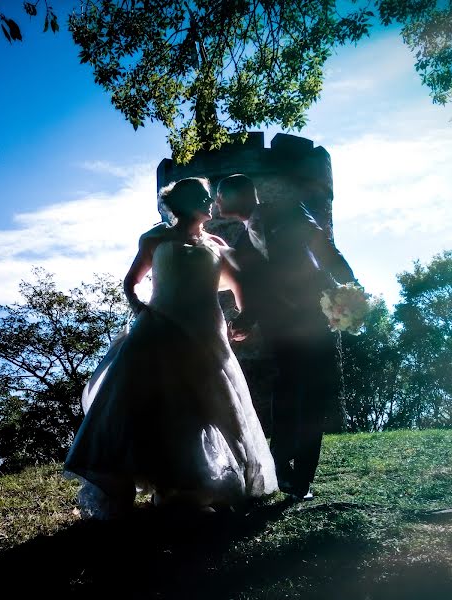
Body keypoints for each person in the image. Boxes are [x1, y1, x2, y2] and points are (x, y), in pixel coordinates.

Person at [64, 177, 278, 519]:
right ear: (185, 201)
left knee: (202, 407)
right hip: (157, 329)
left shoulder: (218, 245)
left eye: (210, 197)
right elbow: (131, 282)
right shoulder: (154, 238)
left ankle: (187, 486)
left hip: (205, 333)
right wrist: (138, 308)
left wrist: (241, 320)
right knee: (146, 404)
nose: (210, 202)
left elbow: (241, 287)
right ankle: (139, 481)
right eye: (203, 196)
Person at [215, 174, 356, 500]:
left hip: (316, 315)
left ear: (235, 196)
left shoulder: (289, 210)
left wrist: (350, 284)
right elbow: (256, 291)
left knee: (315, 397)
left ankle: (302, 480)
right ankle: (283, 467)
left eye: (219, 198)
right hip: (280, 329)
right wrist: (245, 321)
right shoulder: (241, 244)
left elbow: (322, 244)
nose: (216, 205)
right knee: (287, 395)